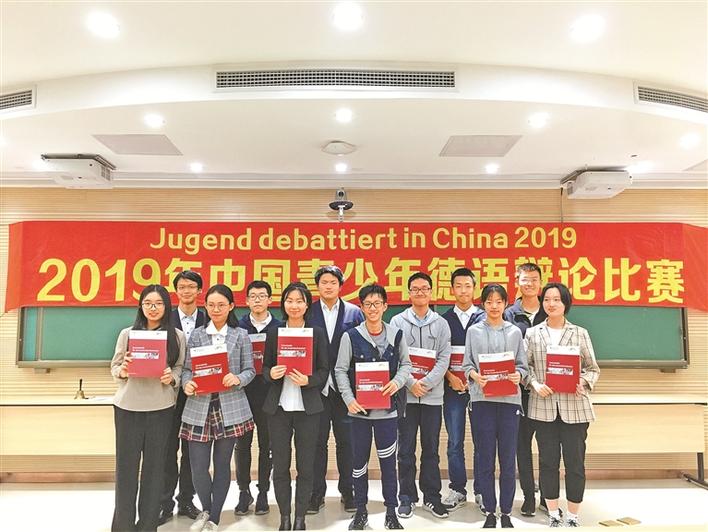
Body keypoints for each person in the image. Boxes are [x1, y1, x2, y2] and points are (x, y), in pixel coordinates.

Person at [335, 284, 412, 530]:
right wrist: (349, 399)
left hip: (387, 412)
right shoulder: (350, 336)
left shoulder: (397, 335)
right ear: (361, 307)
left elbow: (406, 365)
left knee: (389, 465)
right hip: (359, 412)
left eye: (377, 303)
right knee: (359, 464)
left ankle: (391, 512)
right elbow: (340, 370)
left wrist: (397, 382)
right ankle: (360, 512)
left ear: (385, 306)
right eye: (367, 304)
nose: (372, 308)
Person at [110, 284, 186, 532]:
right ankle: (123, 526)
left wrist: (172, 378)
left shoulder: (177, 336)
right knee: (126, 469)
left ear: (167, 306)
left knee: (155, 470)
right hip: (128, 408)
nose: (153, 308)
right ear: (141, 306)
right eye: (148, 303)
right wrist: (122, 371)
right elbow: (114, 367)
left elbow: (180, 368)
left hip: (160, 409)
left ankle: (147, 525)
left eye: (159, 303)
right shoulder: (127, 334)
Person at [181, 284, 256, 532]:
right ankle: (206, 508)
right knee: (198, 466)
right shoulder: (197, 335)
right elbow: (187, 369)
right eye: (211, 305)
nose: (216, 309)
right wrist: (187, 383)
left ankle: (213, 518)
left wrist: (238, 378)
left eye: (221, 305)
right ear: (205, 306)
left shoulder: (240, 335)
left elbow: (250, 370)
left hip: (229, 407)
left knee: (222, 465)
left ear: (231, 306)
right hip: (199, 406)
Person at [525, 282, 600, 528]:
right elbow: (524, 368)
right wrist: (535, 384)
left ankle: (573, 516)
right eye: (547, 299)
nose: (551, 304)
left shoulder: (580, 333)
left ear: (565, 303)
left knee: (575, 464)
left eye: (557, 299)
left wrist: (583, 382)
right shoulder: (533, 333)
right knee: (547, 463)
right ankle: (553, 514)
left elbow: (592, 369)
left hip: (575, 408)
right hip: (543, 407)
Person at [262, 282, 329, 531]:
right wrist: (272, 373)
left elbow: (324, 370)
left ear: (307, 305)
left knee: (305, 466)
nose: (294, 305)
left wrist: (308, 380)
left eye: (299, 301)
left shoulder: (317, 333)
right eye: (289, 300)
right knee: (280, 466)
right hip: (278, 409)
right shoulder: (274, 332)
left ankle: (300, 517)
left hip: (308, 409)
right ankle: (284, 517)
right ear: (283, 304)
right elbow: (265, 368)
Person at [463, 284, 528, 529]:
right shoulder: (473, 332)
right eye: (489, 301)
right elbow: (466, 365)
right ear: (483, 304)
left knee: (508, 459)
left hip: (509, 402)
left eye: (499, 301)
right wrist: (474, 375)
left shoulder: (515, 332)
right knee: (485, 458)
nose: (494, 306)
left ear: (505, 304)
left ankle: (506, 512)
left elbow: (523, 366)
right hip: (482, 401)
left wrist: (519, 375)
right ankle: (490, 511)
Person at [390, 272, 452, 520]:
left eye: (424, 288)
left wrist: (425, 383)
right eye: (415, 289)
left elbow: (444, 358)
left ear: (431, 292)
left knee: (431, 449)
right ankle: (406, 497)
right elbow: (394, 357)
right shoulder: (397, 321)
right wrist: (410, 383)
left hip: (432, 397)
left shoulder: (441, 323)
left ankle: (432, 497)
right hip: (405, 397)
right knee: (405, 449)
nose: (420, 292)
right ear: (409, 293)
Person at [306, 265, 364, 514]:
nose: (328, 286)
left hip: (345, 390)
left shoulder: (354, 312)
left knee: (347, 443)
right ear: (317, 286)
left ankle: (348, 491)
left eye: (333, 282)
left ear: (340, 286)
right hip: (315, 389)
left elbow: (361, 346)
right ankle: (316, 493)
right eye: (324, 282)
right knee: (316, 443)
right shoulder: (308, 311)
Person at [159, 270, 206, 526]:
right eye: (182, 287)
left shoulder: (209, 317)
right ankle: (164, 502)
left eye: (191, 286)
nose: (186, 291)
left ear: (199, 290)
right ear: (176, 290)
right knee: (167, 448)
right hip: (167, 392)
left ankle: (186, 499)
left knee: (192, 450)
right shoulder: (164, 317)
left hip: (199, 392)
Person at [233, 280, 283, 516]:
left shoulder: (280, 327)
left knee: (267, 444)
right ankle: (244, 491)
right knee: (242, 445)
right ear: (246, 301)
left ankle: (263, 492)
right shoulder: (238, 326)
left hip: (269, 393)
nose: (257, 300)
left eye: (262, 296)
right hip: (242, 393)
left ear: (270, 300)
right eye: (253, 296)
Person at [502, 262, 548, 518]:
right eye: (524, 279)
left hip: (546, 391)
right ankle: (529, 497)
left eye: (534, 279)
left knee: (547, 446)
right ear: (516, 282)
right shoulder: (508, 314)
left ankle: (548, 496)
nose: (529, 283)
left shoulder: (550, 309)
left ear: (540, 282)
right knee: (522, 446)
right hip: (518, 392)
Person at [440, 268, 485, 512]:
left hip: (480, 389)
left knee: (481, 440)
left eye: (468, 285)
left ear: (474, 288)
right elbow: (438, 355)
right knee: (454, 441)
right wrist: (450, 377)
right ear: (452, 289)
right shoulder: (443, 320)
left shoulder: (485, 317)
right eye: (458, 286)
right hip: (452, 389)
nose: (463, 290)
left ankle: (482, 490)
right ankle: (457, 489)